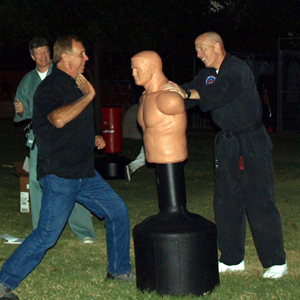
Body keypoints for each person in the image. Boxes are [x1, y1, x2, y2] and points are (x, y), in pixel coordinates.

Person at [0, 35, 135, 300]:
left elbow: (71, 125)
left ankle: (119, 271)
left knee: (117, 211)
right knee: (47, 235)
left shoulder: (75, 85)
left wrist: (92, 137)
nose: (86, 58)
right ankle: (4, 281)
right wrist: (90, 95)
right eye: (82, 53)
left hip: (84, 173)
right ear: (65, 57)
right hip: (61, 174)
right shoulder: (50, 87)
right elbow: (58, 119)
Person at [163, 32, 287, 279]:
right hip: (227, 144)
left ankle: (276, 261)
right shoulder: (207, 74)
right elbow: (190, 91)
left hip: (251, 142)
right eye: (196, 50)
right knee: (226, 201)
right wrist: (167, 92)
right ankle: (232, 259)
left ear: (217, 46)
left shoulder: (236, 69)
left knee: (259, 200)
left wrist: (187, 94)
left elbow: (218, 93)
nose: (198, 54)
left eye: (202, 49)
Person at [13, 37, 95, 244]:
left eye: (46, 52)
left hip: (65, 137)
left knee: (73, 177)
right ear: (32, 57)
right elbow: (22, 113)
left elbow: (79, 106)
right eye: (38, 53)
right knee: (36, 181)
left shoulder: (63, 73)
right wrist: (21, 112)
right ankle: (41, 230)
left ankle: (83, 230)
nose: (43, 56)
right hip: (39, 138)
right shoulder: (28, 80)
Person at [131, 50, 187, 165]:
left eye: (137, 69)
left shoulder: (168, 98)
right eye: (132, 69)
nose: (133, 73)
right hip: (155, 160)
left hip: (171, 157)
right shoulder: (144, 98)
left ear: (152, 69)